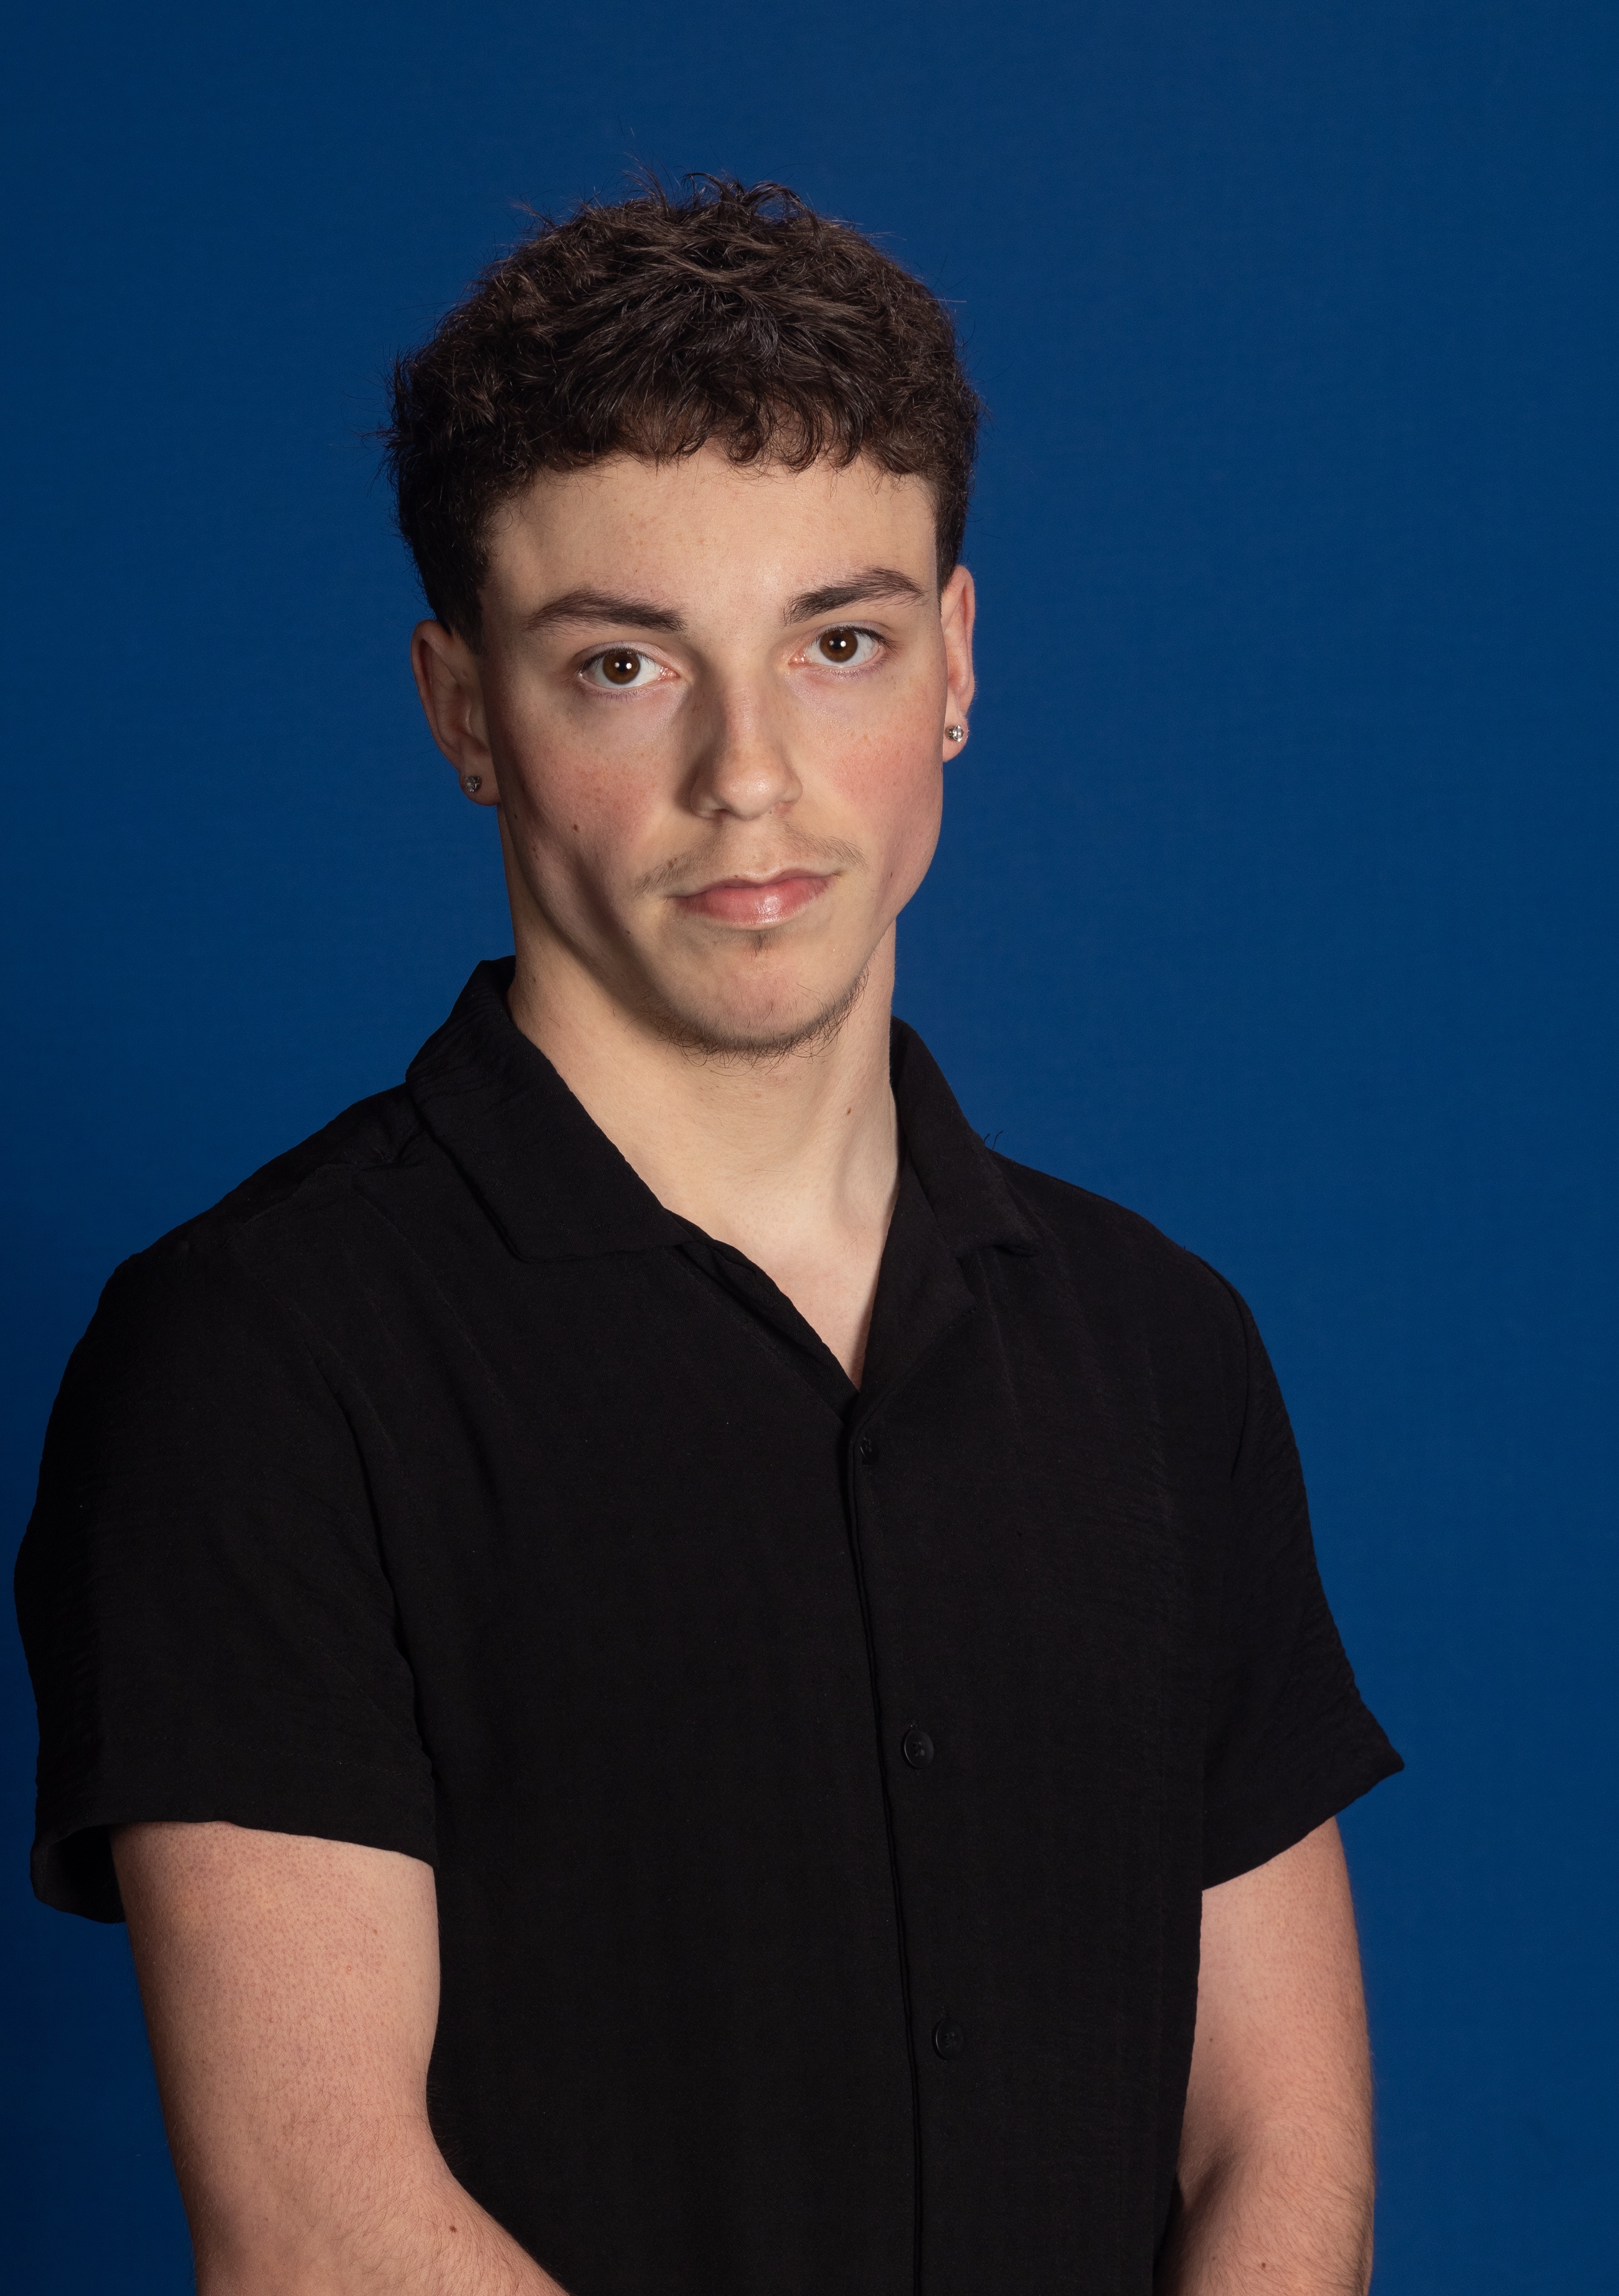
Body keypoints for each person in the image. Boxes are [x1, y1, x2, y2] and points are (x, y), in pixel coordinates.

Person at [16, 177, 1400, 2296]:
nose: (748, 776)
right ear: (465, 709)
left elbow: (1280, 2144)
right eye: (623, 664)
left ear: (955, 664)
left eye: (838, 644)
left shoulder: (1161, 1349)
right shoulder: (260, 1358)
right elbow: (319, 2229)